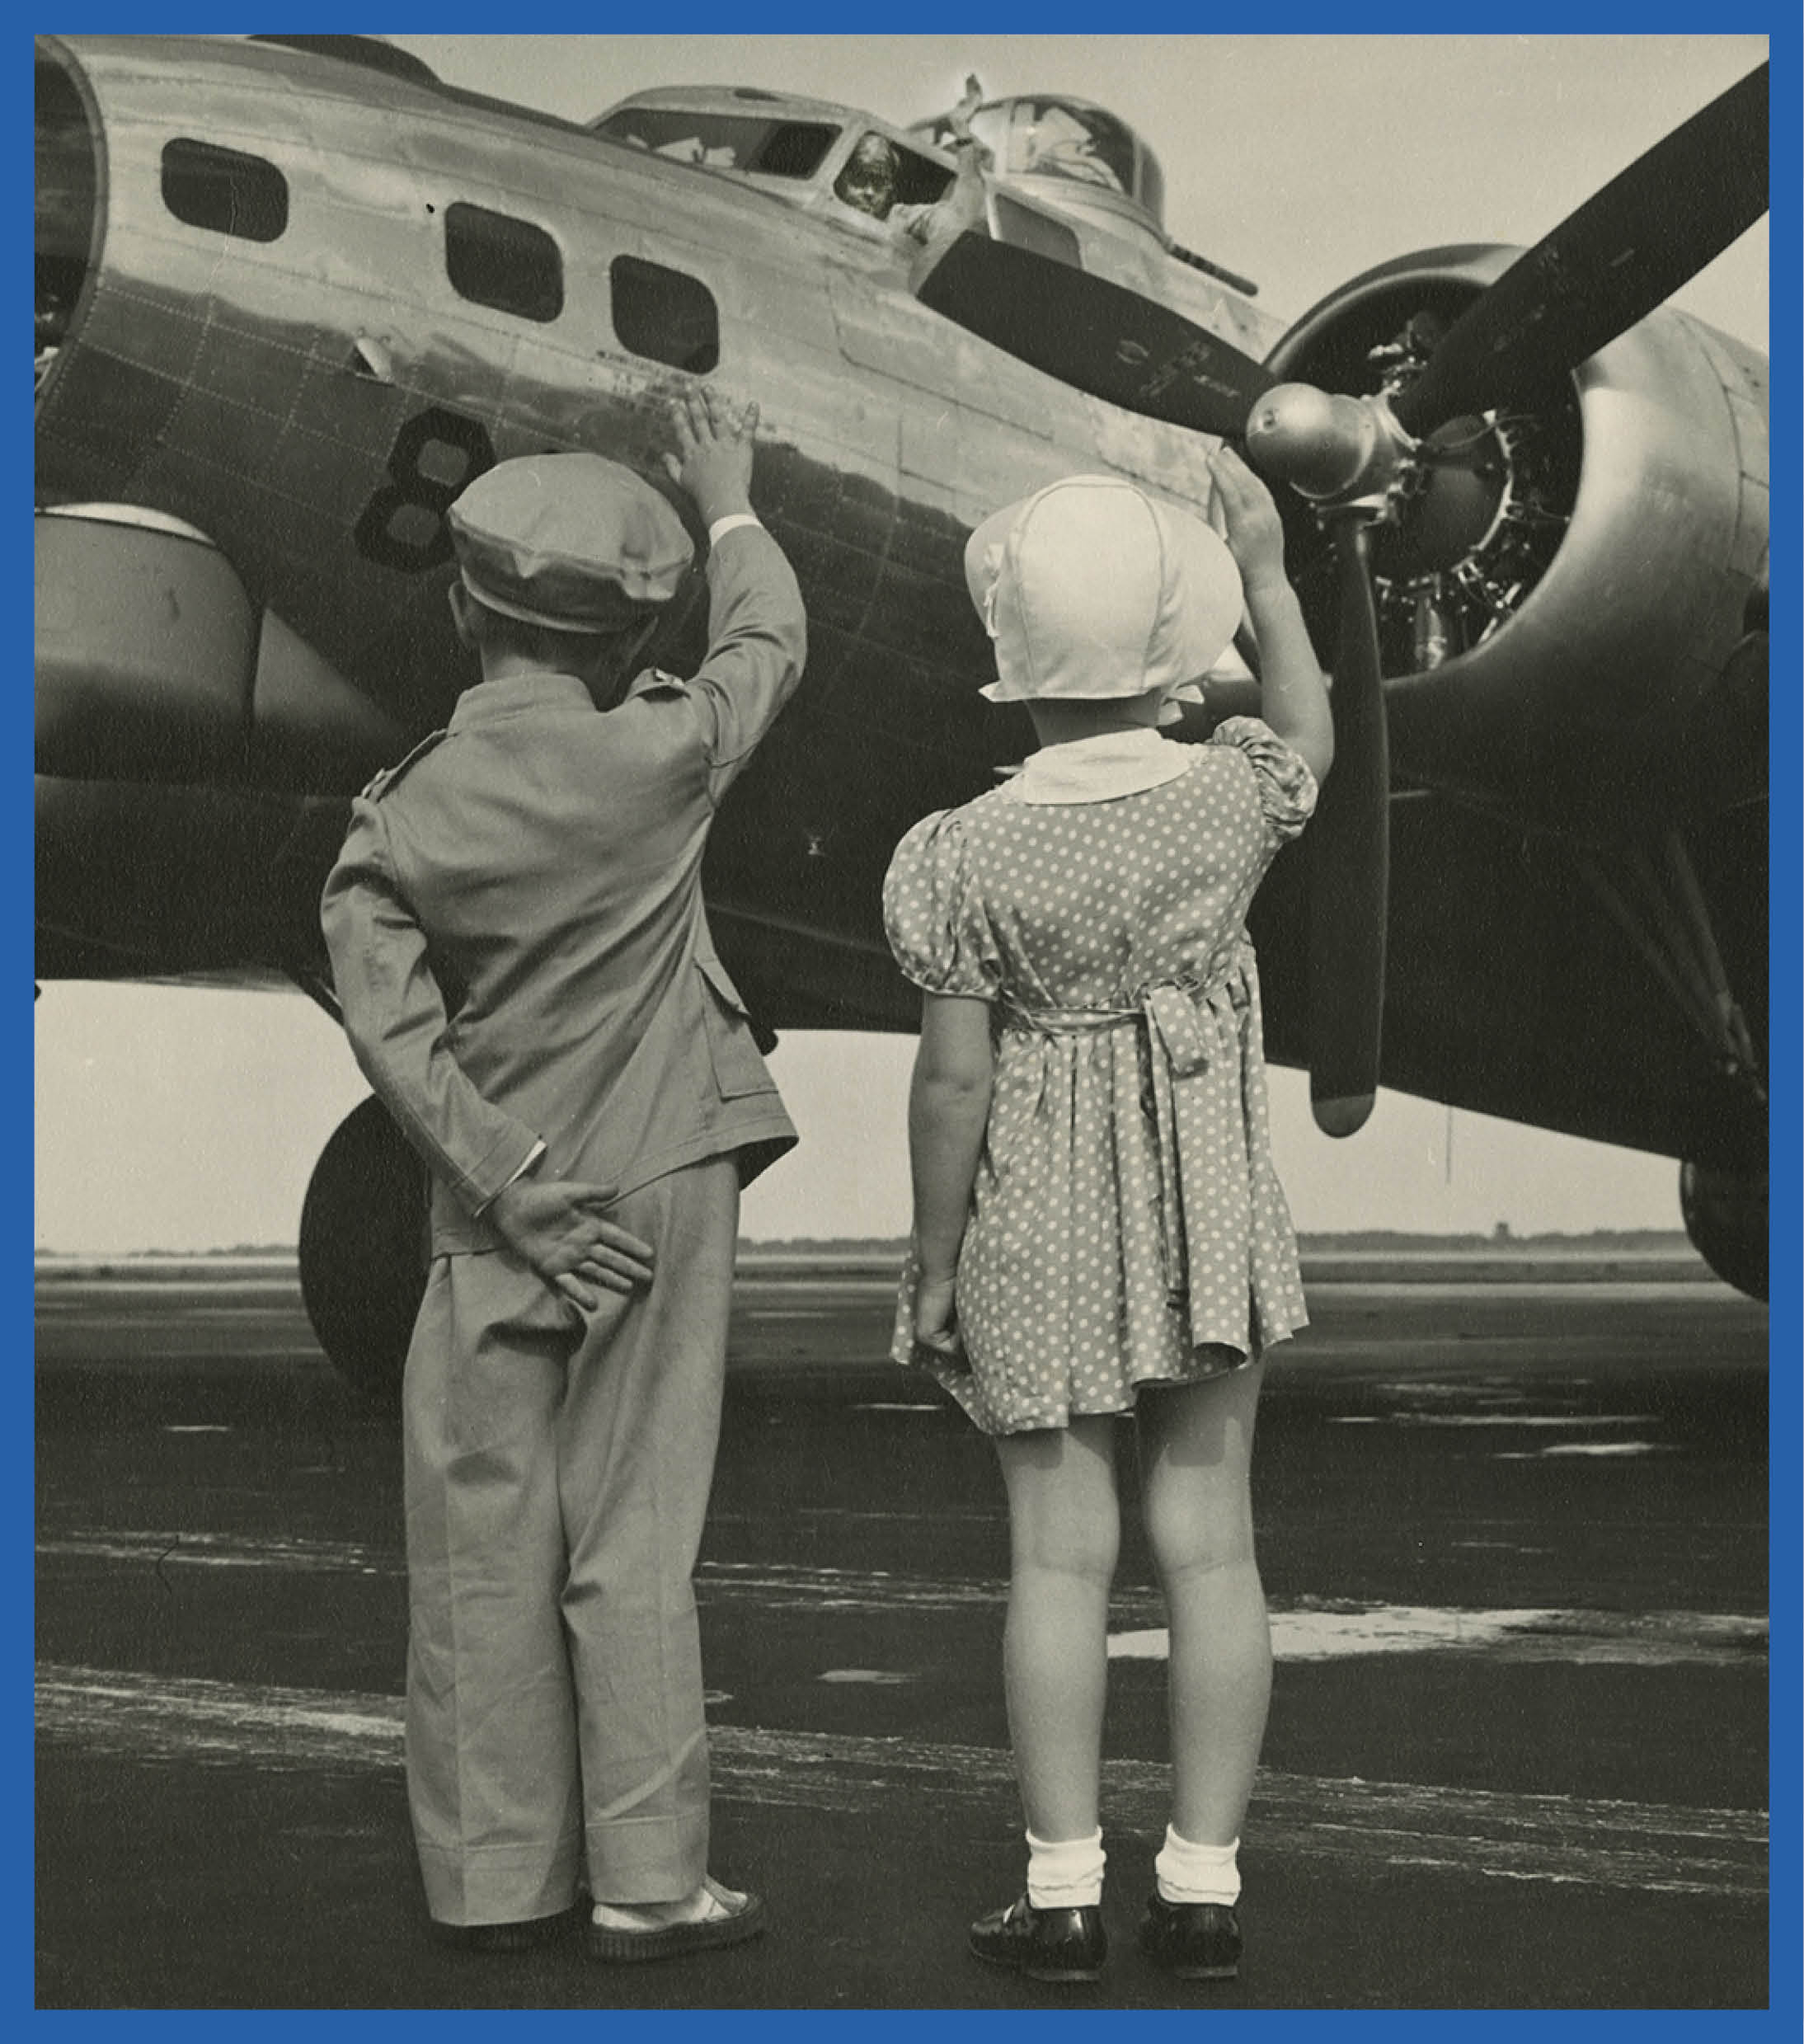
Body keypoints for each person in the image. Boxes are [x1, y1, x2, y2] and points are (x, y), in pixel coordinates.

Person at [320, 388, 806, 1962]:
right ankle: (650, 1883)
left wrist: (505, 1181)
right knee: (633, 1539)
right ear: (624, 637)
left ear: (463, 609)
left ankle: (492, 1882)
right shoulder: (662, 754)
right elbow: (769, 644)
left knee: (477, 1547)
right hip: (662, 1179)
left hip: (490, 1217)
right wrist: (728, 502)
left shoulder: (403, 816)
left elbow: (391, 1034)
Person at [881, 449, 1332, 1985]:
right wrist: (1266, 570)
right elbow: (1309, 731)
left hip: (1037, 1224)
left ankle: (1062, 1894)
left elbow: (952, 1083)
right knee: (1213, 1551)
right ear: (1172, 650)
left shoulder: (958, 853)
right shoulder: (1230, 796)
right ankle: (1201, 1892)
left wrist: (934, 1260)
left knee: (1057, 1563)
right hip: (1204, 1212)